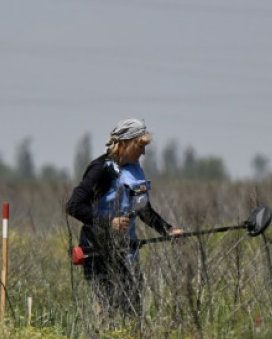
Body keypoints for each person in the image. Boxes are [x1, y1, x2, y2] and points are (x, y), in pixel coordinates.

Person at [66, 118, 184, 318]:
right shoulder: (100, 169)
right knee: (111, 310)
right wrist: (109, 222)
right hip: (97, 251)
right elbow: (73, 206)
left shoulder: (134, 170)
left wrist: (167, 230)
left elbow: (142, 207)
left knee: (133, 309)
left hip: (127, 251)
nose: (143, 152)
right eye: (139, 146)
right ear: (122, 144)